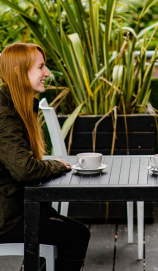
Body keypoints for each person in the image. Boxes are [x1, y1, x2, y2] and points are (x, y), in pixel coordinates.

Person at [0, 43, 90, 270]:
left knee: (64, 227)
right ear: (19, 72)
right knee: (77, 236)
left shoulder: (15, 103)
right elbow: (24, 169)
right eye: (41, 67)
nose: (47, 73)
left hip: (14, 208)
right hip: (5, 218)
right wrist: (57, 165)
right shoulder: (4, 112)